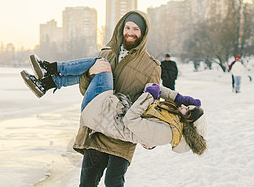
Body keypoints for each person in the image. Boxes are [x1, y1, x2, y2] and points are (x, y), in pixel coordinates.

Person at [23, 11, 162, 187]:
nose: (131, 33)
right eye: (128, 28)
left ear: (143, 34)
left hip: (121, 131)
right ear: (121, 28)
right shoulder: (106, 53)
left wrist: (148, 133)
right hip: (98, 127)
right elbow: (86, 89)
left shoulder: (151, 66)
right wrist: (88, 74)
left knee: (114, 186)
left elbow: (150, 102)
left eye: (136, 30)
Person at [21, 57, 207, 155]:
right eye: (186, 106)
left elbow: (131, 119)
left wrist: (149, 96)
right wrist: (180, 97)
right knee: (96, 69)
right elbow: (159, 90)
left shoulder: (166, 133)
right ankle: (46, 83)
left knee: (102, 64)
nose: (183, 107)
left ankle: (51, 70)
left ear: (189, 123)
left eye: (187, 111)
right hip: (106, 108)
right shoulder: (173, 120)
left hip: (101, 112)